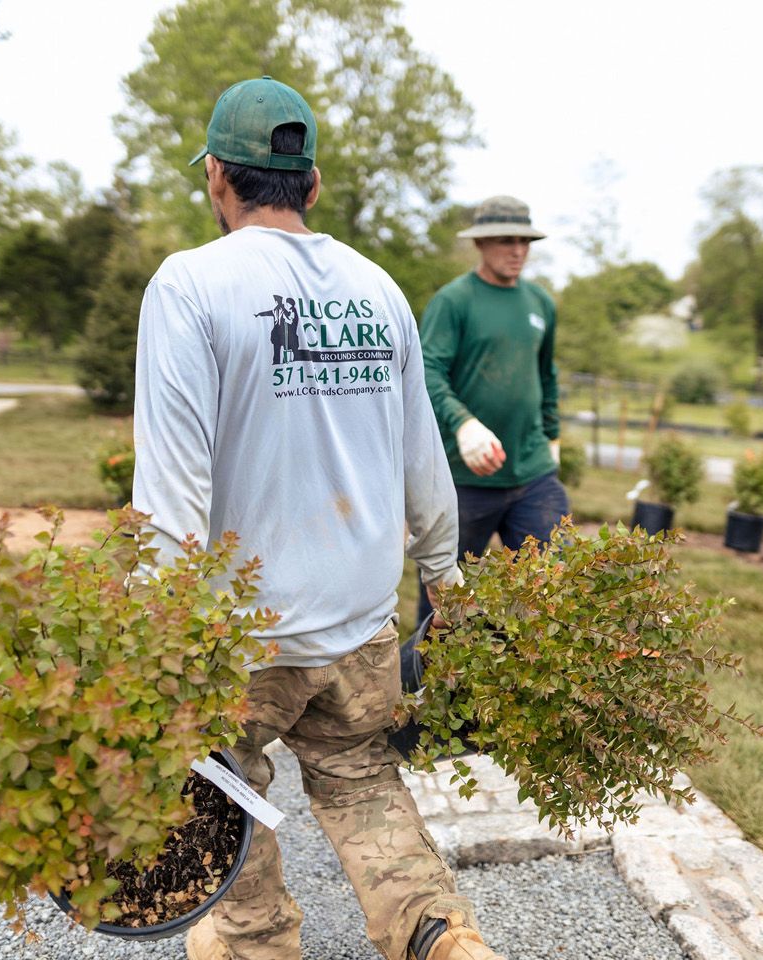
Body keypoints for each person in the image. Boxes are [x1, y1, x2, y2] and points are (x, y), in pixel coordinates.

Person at [130, 76, 507, 960]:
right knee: (361, 780)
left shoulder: (190, 286)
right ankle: (441, 938)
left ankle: (257, 943)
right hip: (359, 623)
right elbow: (424, 461)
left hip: (238, 635)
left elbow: (172, 485)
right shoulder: (378, 290)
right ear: (314, 183)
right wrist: (446, 582)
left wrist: (153, 632)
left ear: (218, 178)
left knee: (227, 785)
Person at [416, 196, 569, 627]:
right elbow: (427, 372)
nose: (517, 250)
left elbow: (547, 375)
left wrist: (552, 440)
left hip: (532, 475)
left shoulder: (540, 303)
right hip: (464, 482)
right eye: (505, 240)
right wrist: (463, 424)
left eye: (524, 240)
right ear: (481, 244)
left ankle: (531, 686)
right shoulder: (454, 301)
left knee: (551, 591)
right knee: (446, 606)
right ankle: (429, 690)